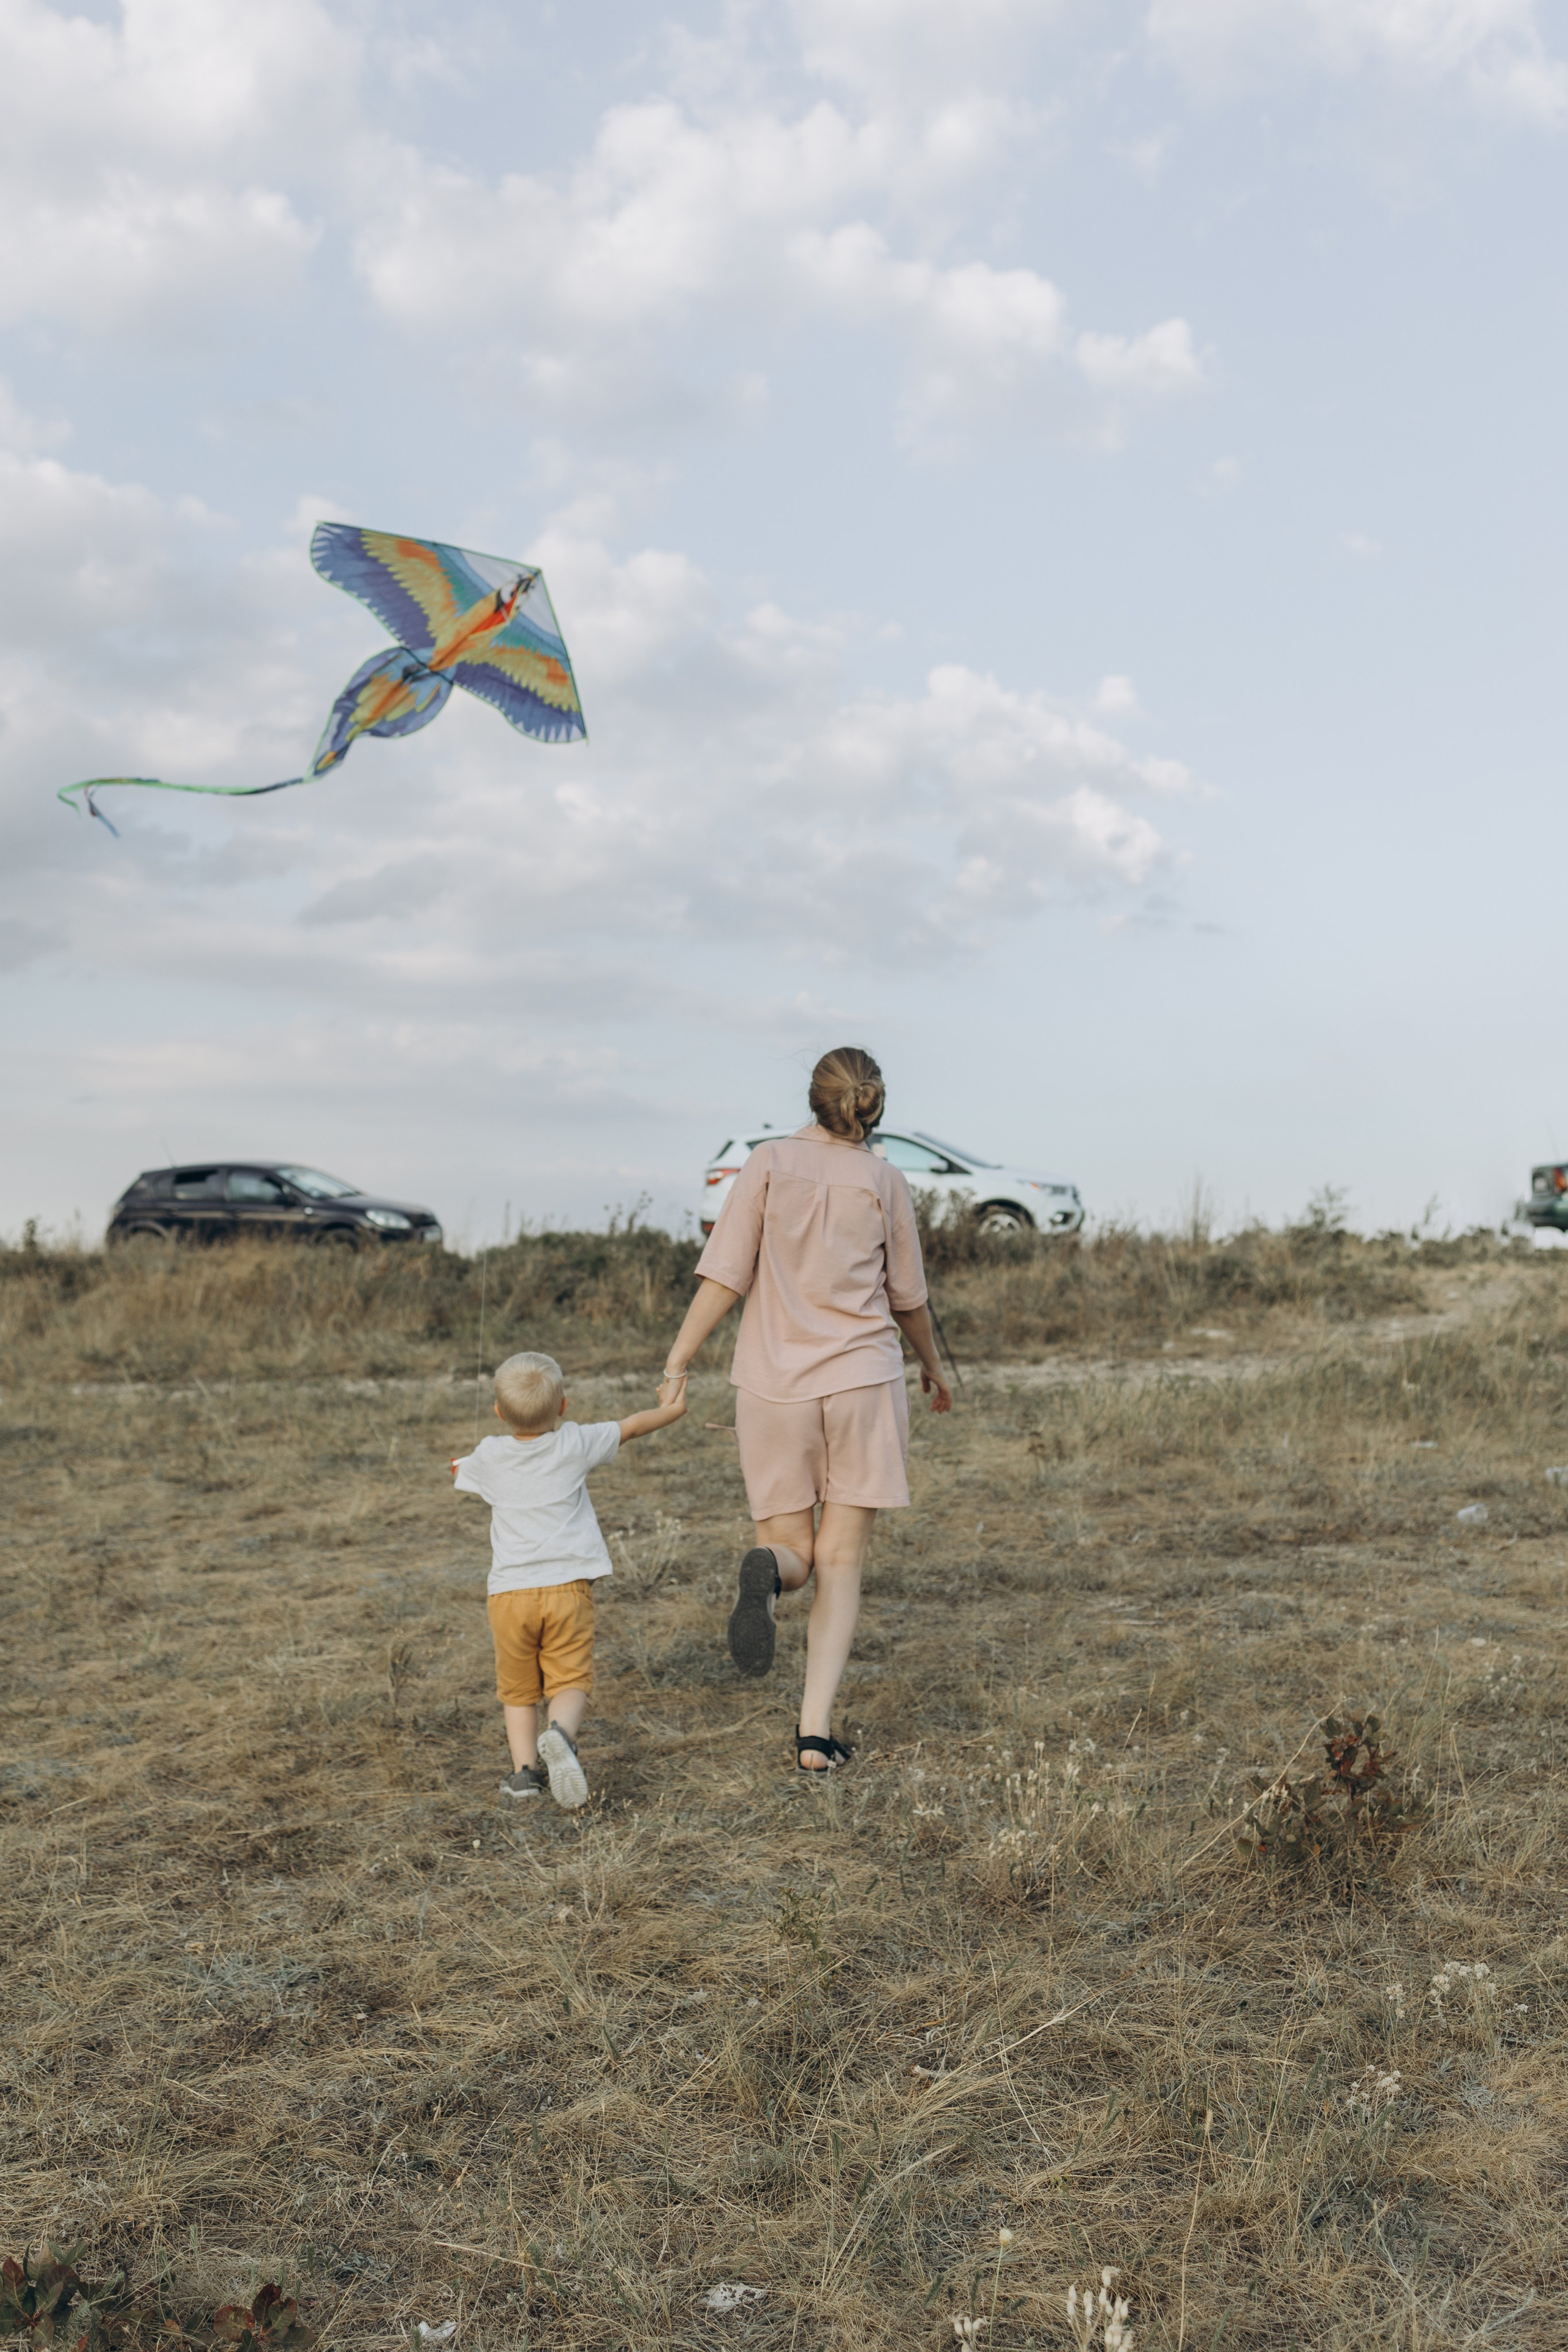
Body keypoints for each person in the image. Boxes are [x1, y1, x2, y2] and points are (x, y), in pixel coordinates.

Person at [660, 1046, 952, 1772]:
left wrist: (679, 1357)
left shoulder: (764, 1163)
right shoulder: (885, 1180)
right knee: (843, 1559)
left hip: (772, 1387)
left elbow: (725, 1274)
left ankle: (771, 1567)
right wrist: (935, 1368)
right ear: (872, 1104)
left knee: (795, 1548)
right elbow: (908, 1299)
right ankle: (814, 1736)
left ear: (813, 1097)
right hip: (861, 1382)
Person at [451, 1351, 687, 1808]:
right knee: (569, 1678)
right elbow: (633, 1427)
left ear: (499, 1413)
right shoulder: (575, 1442)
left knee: (518, 1690)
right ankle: (560, 1735)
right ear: (563, 1407)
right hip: (568, 1592)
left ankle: (524, 1776)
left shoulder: (490, 1454)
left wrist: (458, 1465)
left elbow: (463, 1472)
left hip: (509, 1596)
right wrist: (672, 1407)